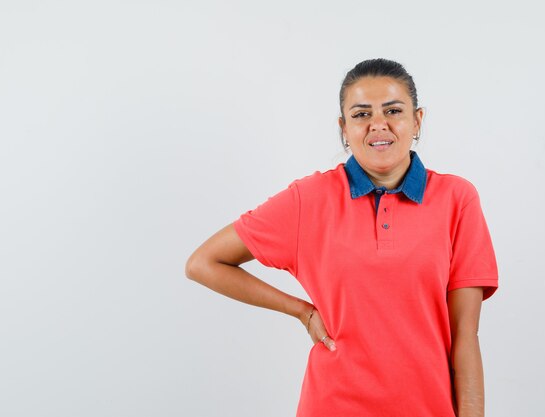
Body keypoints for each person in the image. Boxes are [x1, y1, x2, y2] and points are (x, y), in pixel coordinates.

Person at [185, 58, 499, 417]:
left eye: (393, 110)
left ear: (417, 121)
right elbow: (203, 263)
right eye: (361, 114)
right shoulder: (309, 199)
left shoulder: (457, 199)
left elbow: (465, 336)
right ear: (343, 128)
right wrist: (302, 312)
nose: (378, 124)